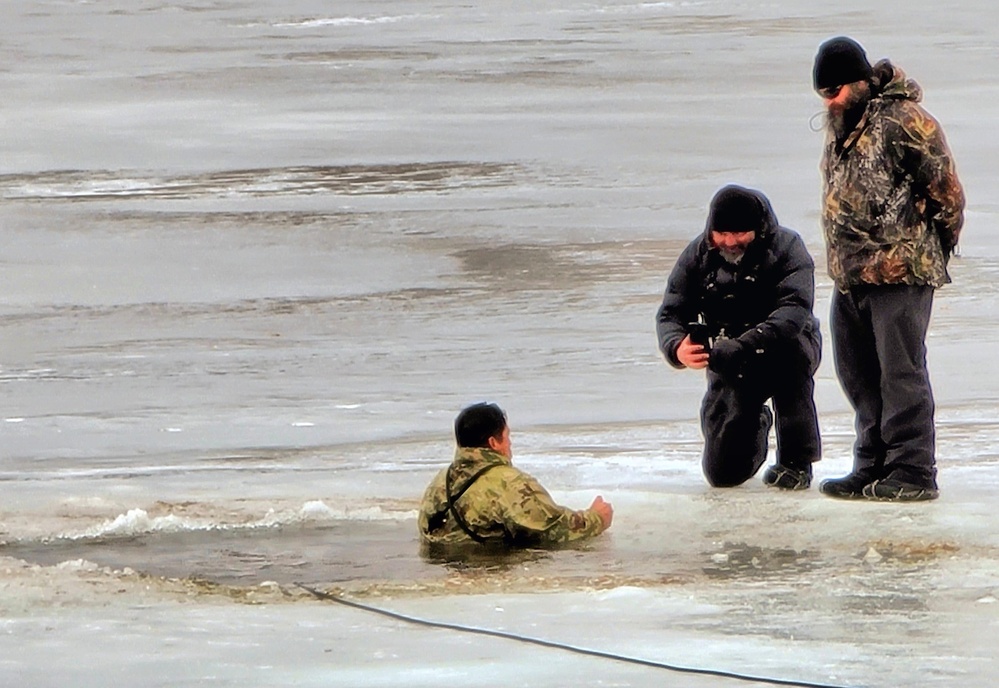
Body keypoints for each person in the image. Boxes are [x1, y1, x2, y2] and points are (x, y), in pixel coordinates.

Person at [812, 37, 965, 502]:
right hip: (851, 274)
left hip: (901, 271)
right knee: (857, 371)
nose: (829, 101)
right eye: (823, 94)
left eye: (835, 90)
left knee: (901, 372)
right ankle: (872, 463)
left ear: (860, 82)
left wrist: (924, 248)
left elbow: (948, 195)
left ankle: (914, 469)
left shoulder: (906, 121)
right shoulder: (841, 126)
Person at [656, 184, 822, 490]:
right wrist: (677, 346)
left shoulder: (788, 247)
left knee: (793, 366)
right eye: (722, 234)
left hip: (784, 347)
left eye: (739, 234)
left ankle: (796, 462)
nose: (730, 242)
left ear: (757, 229)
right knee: (722, 475)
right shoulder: (697, 255)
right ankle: (755, 424)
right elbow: (671, 312)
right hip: (727, 357)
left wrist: (745, 344)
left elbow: (795, 310)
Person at [418, 402, 613, 547]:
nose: (510, 444)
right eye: (507, 436)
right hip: (488, 575)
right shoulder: (509, 483)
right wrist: (596, 518)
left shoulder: (440, 481)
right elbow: (553, 530)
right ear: (494, 443)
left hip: (447, 572)